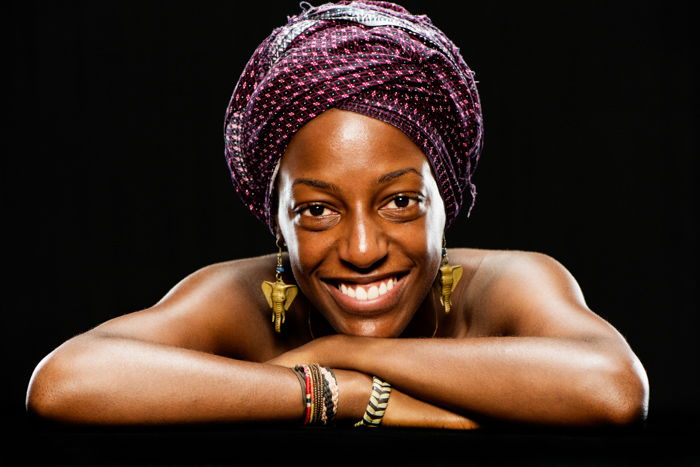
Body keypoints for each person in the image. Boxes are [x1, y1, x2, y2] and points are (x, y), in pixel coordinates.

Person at [26, 0, 648, 429]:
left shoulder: (509, 284)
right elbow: (66, 384)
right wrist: (338, 392)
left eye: (400, 202)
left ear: (446, 202)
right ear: (277, 221)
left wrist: (341, 349)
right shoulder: (238, 296)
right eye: (318, 210)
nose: (360, 248)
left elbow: (612, 390)